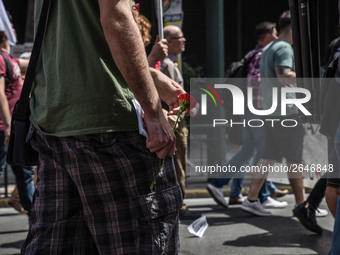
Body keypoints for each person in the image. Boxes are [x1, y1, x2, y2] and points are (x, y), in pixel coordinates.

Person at [21, 1, 186, 254]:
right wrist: (153, 112)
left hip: (53, 121)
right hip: (110, 124)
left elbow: (79, 41)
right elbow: (116, 19)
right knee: (141, 242)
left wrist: (151, 77)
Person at [206, 22, 288, 209]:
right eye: (275, 33)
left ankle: (227, 188)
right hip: (258, 110)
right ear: (267, 36)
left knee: (248, 151)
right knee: (264, 152)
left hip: (249, 110)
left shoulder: (251, 54)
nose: (277, 37)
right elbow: (257, 81)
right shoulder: (262, 55)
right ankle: (261, 196)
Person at [240, 11, 307, 218]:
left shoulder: (268, 48)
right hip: (286, 113)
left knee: (267, 157)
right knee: (295, 160)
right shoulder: (284, 47)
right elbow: (284, 76)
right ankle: (302, 206)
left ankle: (251, 200)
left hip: (271, 112)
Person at [161, 25, 197, 219]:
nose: (184, 41)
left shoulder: (171, 63)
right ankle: (179, 204)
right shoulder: (167, 65)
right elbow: (172, 95)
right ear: (169, 42)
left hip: (176, 120)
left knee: (178, 163)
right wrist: (190, 107)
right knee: (178, 163)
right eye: (179, 38)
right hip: (175, 121)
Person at [0, 27, 34, 215]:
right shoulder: (0, 59)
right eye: (10, 27)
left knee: (25, 173)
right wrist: (7, 126)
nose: (14, 30)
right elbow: (0, 95)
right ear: (5, 34)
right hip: (5, 129)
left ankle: (34, 218)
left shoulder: (8, 59)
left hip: (13, 128)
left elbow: (29, 64)